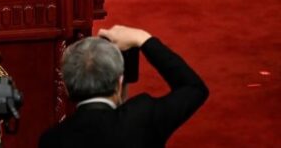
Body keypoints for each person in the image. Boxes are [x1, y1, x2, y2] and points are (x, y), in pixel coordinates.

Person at [38, 25, 209, 148]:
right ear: (120, 82)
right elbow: (193, 88)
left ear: (67, 89)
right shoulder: (143, 118)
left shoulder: (52, 140)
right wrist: (143, 39)